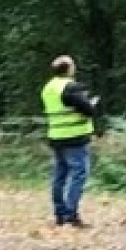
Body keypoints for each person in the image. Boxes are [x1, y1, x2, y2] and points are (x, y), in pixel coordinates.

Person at [41, 54, 100, 227]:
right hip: (74, 137)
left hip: (56, 136)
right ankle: (70, 214)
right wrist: (92, 104)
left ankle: (60, 213)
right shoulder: (70, 87)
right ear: (68, 69)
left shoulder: (48, 88)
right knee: (79, 174)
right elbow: (87, 109)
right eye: (73, 65)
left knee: (59, 175)